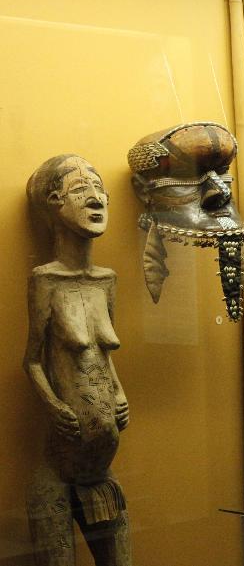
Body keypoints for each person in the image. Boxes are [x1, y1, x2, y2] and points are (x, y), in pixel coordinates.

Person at [23, 155, 131, 565]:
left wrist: (119, 393)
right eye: (80, 189)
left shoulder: (107, 280)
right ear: (54, 202)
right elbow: (32, 360)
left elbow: (103, 352)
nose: (96, 198)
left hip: (102, 472)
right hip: (60, 472)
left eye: (99, 189)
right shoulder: (45, 280)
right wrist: (54, 406)